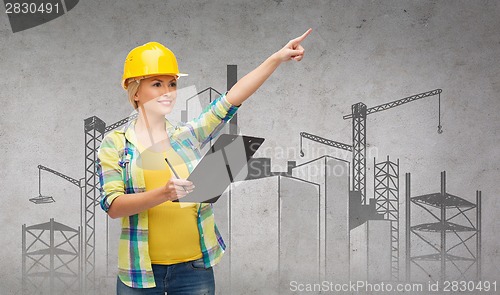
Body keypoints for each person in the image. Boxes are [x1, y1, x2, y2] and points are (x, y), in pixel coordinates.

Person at [96, 28, 312, 295]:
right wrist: (164, 193)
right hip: (141, 273)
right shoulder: (116, 143)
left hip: (194, 270)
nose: (168, 92)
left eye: (172, 84)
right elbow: (114, 206)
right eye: (157, 84)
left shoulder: (187, 135)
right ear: (135, 91)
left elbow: (233, 98)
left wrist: (277, 58)